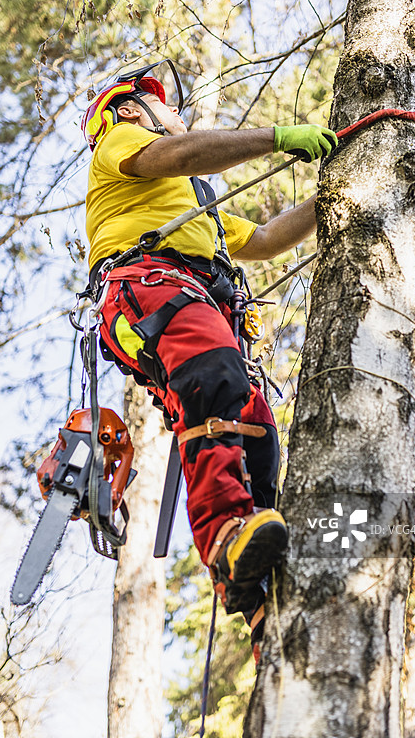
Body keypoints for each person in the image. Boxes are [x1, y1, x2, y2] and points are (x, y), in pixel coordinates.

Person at [81, 65, 337, 661]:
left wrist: (339, 194)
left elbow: (269, 238)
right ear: (133, 110)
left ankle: (258, 599)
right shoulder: (118, 141)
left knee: (258, 433)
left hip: (192, 303)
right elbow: (184, 151)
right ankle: (223, 534)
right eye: (164, 109)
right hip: (150, 288)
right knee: (217, 380)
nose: (176, 116)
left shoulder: (198, 212)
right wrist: (277, 137)